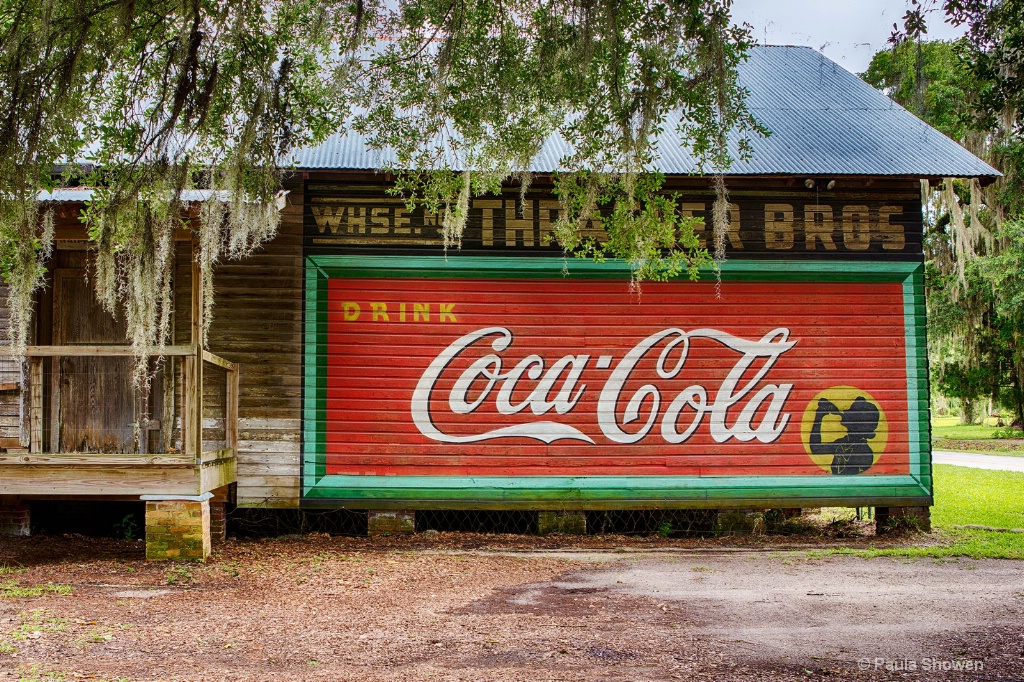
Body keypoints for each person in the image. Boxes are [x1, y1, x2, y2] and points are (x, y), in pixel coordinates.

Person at [809, 396, 879, 475]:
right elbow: (815, 449)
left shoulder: (864, 451)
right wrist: (819, 417)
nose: (844, 415)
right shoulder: (844, 443)